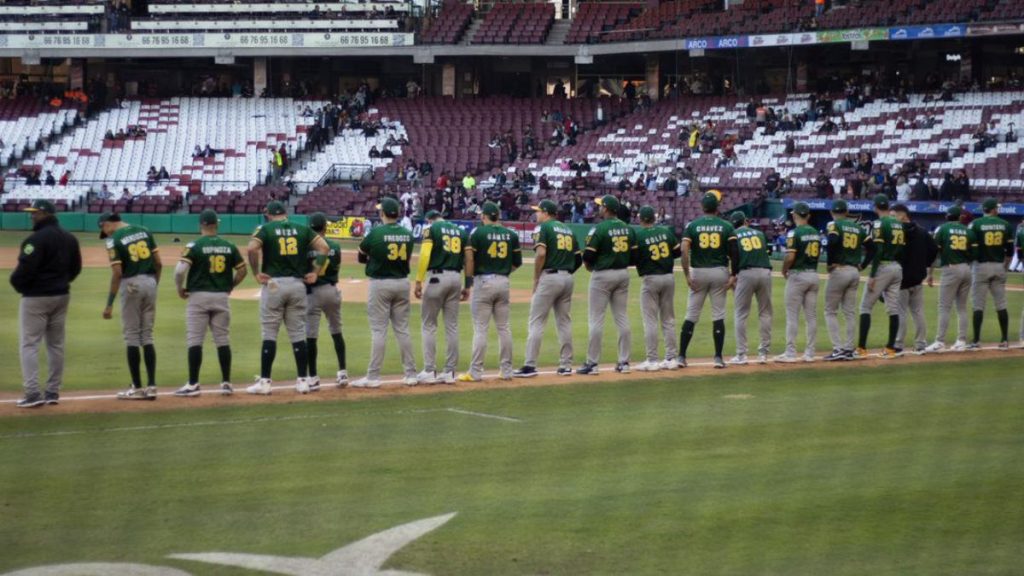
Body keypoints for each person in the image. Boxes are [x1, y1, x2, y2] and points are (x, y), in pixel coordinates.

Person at [245, 201, 328, 395]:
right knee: (298, 333)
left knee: (269, 333)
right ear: (285, 213)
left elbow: (251, 249)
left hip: (274, 285)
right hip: (297, 285)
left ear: (269, 214)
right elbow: (323, 247)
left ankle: (265, 382)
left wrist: (256, 273)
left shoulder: (265, 228)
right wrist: (315, 271)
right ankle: (302, 381)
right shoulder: (301, 228)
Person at [10, 200, 82, 408]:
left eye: (35, 212)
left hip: (36, 297)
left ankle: (32, 393)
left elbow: (24, 271)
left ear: (45, 214)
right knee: (56, 344)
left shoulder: (36, 239)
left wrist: (20, 286)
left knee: (29, 344)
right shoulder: (70, 238)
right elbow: (76, 268)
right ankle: (52, 392)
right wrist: (61, 282)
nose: (31, 216)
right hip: (61, 295)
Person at [172, 209, 247, 397]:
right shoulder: (228, 245)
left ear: (201, 225)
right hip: (221, 297)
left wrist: (179, 288)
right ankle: (227, 383)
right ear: (216, 224)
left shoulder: (194, 245)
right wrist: (230, 285)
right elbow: (242, 271)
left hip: (198, 297)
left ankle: (193, 384)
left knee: (195, 340)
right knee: (222, 340)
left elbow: (180, 271)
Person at [513, 200, 582, 377]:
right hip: (567, 278)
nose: (536, 214)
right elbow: (578, 259)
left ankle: (529, 365)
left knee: (536, 321)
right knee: (564, 322)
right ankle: (566, 365)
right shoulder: (568, 230)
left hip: (549, 277)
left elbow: (541, 254)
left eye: (538, 212)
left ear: (546, 212)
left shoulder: (544, 228)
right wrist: (567, 272)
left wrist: (536, 277)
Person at [354, 198, 418, 387]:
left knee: (379, 331)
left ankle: (373, 377)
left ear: (383, 214)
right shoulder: (407, 234)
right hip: (402, 282)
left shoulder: (376, 233)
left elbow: (360, 256)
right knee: (402, 330)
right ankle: (411, 373)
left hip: (380, 284)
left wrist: (375, 261)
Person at [99, 212, 162, 399]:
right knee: (147, 335)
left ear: (107, 224)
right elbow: (158, 263)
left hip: (131, 285)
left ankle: (136, 388)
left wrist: (109, 304)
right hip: (150, 282)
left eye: (104, 230)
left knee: (132, 336)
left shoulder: (113, 241)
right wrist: (152, 285)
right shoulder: (145, 230)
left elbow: (117, 273)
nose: (106, 235)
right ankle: (152, 386)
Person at [457, 201, 522, 382]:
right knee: (504, 328)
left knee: (480, 329)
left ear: (483, 216)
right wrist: (503, 272)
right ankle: (507, 370)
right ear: (498, 216)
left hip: (483, 281)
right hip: (503, 281)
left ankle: (476, 372)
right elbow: (517, 262)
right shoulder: (510, 234)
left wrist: (468, 284)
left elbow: (469, 259)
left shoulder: (478, 233)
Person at [577, 195, 637, 375]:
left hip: (602, 275)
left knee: (596, 319)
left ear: (607, 209)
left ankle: (592, 363)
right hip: (622, 274)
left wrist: (590, 267)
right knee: (622, 317)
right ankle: (624, 362)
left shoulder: (600, 228)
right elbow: (634, 257)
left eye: (601, 207)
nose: (599, 209)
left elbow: (587, 256)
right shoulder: (628, 229)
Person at [678, 192, 738, 369]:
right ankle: (718, 357)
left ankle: (681, 356)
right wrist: (734, 274)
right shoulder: (726, 226)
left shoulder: (693, 225)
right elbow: (735, 252)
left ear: (702, 207)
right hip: (719, 271)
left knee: (691, 314)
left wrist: (687, 274)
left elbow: (683, 250)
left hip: (699, 272)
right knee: (718, 314)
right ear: (717, 207)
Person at [414, 210, 469, 385]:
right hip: (455, 278)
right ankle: (450, 372)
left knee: (429, 324)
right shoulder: (460, 231)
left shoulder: (431, 229)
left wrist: (418, 280)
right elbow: (468, 259)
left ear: (429, 220)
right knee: (452, 326)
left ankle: (429, 370)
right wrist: (468, 284)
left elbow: (424, 255)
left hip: (437, 278)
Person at [855, 194, 906, 358]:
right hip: (897, 266)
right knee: (893, 309)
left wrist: (872, 274)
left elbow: (877, 250)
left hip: (883, 266)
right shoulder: (898, 224)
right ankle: (891, 347)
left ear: (876, 207)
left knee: (865, 307)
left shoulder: (879, 223)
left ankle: (861, 348)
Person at [633, 205, 681, 371]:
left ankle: (652, 360)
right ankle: (671, 358)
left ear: (641, 219)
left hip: (651, 278)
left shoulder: (638, 236)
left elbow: (633, 258)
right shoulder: (665, 232)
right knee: (668, 319)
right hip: (668, 277)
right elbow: (677, 252)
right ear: (654, 218)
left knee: (650, 320)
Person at [305, 212, 348, 390]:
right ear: (325, 227)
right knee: (336, 331)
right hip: (331, 289)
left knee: (311, 336)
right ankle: (343, 372)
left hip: (312, 293)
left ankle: (313, 377)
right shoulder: (335, 246)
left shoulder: (305, 246)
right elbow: (336, 266)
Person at [776, 203, 821, 363]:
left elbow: (790, 257)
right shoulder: (815, 233)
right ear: (807, 215)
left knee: (792, 316)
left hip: (798, 275)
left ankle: (790, 353)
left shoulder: (794, 233)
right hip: (813, 275)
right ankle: (810, 353)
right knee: (811, 316)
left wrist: (783, 270)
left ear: (795, 215)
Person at [924, 206, 974, 352]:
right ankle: (961, 341)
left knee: (944, 307)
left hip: (951, 269)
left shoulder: (942, 229)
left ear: (947, 216)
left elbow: (934, 252)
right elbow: (974, 253)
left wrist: (930, 273)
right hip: (967, 268)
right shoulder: (968, 231)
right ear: (960, 217)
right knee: (962, 307)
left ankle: (940, 342)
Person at [822, 200, 866, 361]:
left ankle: (838, 349)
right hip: (854, 271)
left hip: (839, 270)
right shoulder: (858, 227)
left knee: (830, 311)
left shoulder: (834, 225)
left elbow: (832, 242)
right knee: (849, 312)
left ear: (832, 212)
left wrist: (829, 263)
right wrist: (864, 264)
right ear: (846, 212)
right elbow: (873, 248)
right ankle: (848, 349)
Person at [967, 198, 1014, 349]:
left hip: (980, 266)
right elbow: (1010, 251)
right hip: (999, 265)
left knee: (978, 305)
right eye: (996, 207)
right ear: (993, 209)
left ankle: (976, 341)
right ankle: (1005, 339)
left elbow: (970, 247)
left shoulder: (975, 224)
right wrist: (1005, 267)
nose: (998, 209)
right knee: (1001, 304)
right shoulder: (1005, 224)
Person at [892, 204, 937, 354]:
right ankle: (920, 345)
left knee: (901, 312)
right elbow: (934, 250)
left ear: (903, 215)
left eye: (894, 215)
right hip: (918, 278)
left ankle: (898, 345)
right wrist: (925, 264)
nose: (892, 218)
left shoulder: (897, 232)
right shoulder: (923, 232)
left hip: (902, 279)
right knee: (918, 312)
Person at [729, 211, 772, 365]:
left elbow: (734, 256)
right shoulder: (759, 233)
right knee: (765, 313)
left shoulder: (733, 235)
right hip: (765, 272)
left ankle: (741, 354)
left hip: (745, 273)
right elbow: (767, 252)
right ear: (745, 221)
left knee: (741, 314)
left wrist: (733, 275)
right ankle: (763, 353)